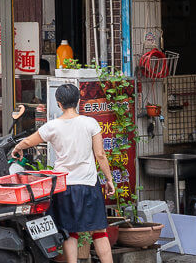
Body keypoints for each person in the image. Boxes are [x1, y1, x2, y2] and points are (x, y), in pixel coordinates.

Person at [11, 84, 117, 263]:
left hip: (65, 186)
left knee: (70, 231)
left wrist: (17, 147)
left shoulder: (52, 126)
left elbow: (30, 140)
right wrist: (109, 179)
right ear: (78, 101)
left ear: (58, 103)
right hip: (89, 185)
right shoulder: (90, 123)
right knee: (99, 231)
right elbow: (100, 155)